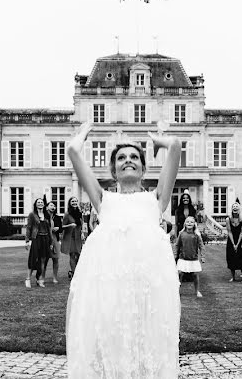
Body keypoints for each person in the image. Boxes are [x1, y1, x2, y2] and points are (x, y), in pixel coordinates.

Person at [65, 121, 181, 378]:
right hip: (111, 282)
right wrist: (83, 135)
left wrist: (159, 142)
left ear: (142, 169)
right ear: (114, 171)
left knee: (148, 336)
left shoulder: (157, 198)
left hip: (148, 281)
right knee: (112, 335)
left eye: (134, 157)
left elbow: (175, 147)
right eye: (121, 158)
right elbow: (73, 151)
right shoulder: (103, 198)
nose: (128, 160)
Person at [25, 198, 52, 288]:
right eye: (38, 202)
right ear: (36, 204)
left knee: (43, 259)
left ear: (44, 205)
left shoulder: (47, 215)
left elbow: (50, 230)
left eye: (41, 202)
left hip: (46, 238)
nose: (40, 204)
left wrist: (51, 242)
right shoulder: (32, 215)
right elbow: (29, 228)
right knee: (33, 259)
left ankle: (39, 279)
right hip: (37, 238)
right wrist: (27, 241)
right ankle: (28, 279)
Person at [176, 218, 204, 298]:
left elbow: (201, 246)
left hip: (193, 259)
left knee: (195, 275)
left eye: (191, 222)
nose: (189, 223)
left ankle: (197, 291)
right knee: (180, 273)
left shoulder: (196, 234)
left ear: (194, 224)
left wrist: (203, 256)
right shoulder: (181, 234)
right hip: (182, 258)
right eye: (188, 222)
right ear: (185, 223)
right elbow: (177, 245)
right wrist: (175, 255)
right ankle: (178, 291)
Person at [60, 196, 84, 279]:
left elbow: (81, 224)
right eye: (72, 201)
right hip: (70, 237)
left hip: (78, 236)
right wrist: (70, 225)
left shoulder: (79, 212)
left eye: (75, 201)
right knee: (72, 255)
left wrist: (82, 233)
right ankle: (74, 274)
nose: (74, 202)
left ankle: (73, 271)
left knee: (79, 255)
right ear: (70, 203)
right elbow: (62, 226)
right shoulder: (67, 214)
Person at [225, 200, 242, 282]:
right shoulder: (228, 219)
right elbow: (229, 231)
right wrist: (233, 243)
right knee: (231, 258)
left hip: (241, 239)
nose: (235, 208)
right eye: (233, 207)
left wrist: (238, 244)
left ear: (239, 209)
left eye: (236, 206)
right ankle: (232, 277)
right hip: (231, 240)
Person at [45, 199, 62, 284]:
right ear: (47, 207)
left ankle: (54, 278)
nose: (53, 207)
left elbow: (61, 228)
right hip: (46, 239)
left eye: (54, 206)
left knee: (55, 259)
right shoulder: (43, 217)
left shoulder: (57, 217)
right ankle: (42, 277)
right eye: (51, 205)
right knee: (44, 259)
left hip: (55, 239)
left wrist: (58, 228)